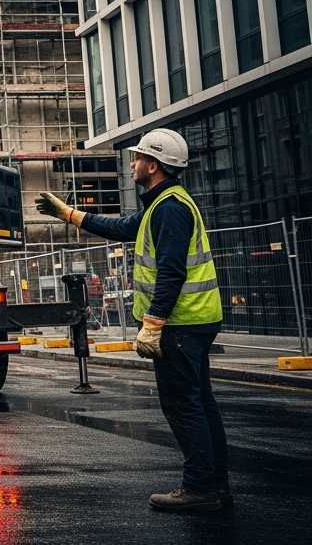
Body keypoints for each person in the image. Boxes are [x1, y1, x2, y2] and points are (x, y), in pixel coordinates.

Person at [35, 128, 228, 512]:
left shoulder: (170, 208)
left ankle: (200, 487)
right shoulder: (163, 204)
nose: (133, 163)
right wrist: (71, 214)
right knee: (199, 403)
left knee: (183, 405)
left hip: (179, 325)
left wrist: (153, 324)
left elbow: (171, 272)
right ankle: (213, 484)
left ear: (153, 166)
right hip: (193, 323)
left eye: (138, 158)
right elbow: (122, 227)